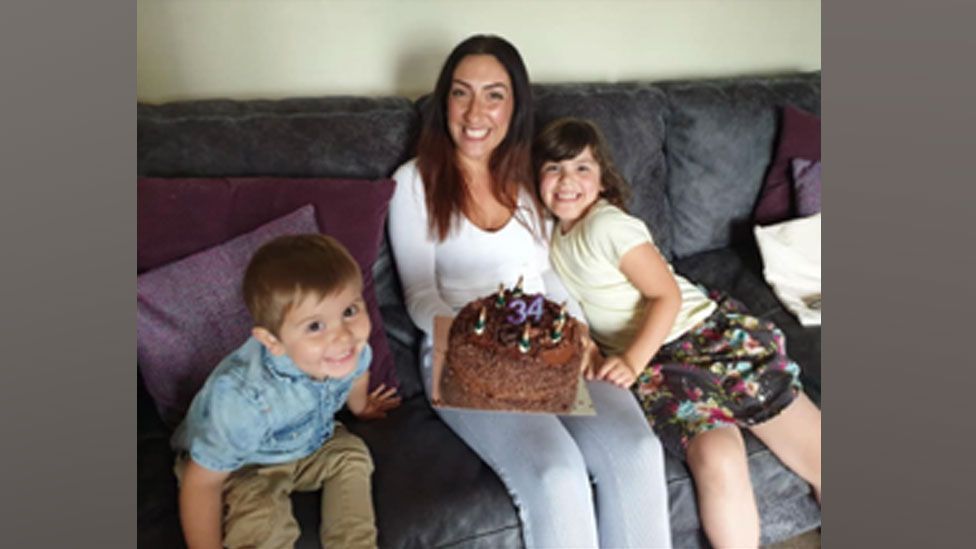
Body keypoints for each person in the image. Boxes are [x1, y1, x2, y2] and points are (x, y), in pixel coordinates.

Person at [387, 35, 672, 548]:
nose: (476, 112)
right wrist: (489, 330)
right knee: (557, 474)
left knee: (636, 450)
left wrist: (577, 329)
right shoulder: (414, 182)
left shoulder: (528, 180)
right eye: (461, 93)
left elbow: (551, 275)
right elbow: (419, 294)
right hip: (463, 349)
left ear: (515, 105)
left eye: (494, 94)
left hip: (550, 340)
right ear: (444, 101)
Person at [533, 117, 822, 548]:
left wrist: (630, 360)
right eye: (554, 168)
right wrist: (592, 347)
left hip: (703, 334)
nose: (567, 180)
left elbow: (665, 296)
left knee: (816, 453)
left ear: (603, 179)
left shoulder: (608, 225)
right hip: (662, 367)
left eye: (582, 168)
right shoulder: (553, 238)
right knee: (717, 456)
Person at [170, 234, 401, 549]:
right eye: (315, 326)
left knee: (351, 453)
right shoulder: (244, 398)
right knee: (263, 518)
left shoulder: (352, 351)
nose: (343, 336)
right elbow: (202, 483)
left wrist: (361, 407)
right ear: (273, 341)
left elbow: (358, 375)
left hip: (307, 443)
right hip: (243, 465)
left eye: (349, 311)